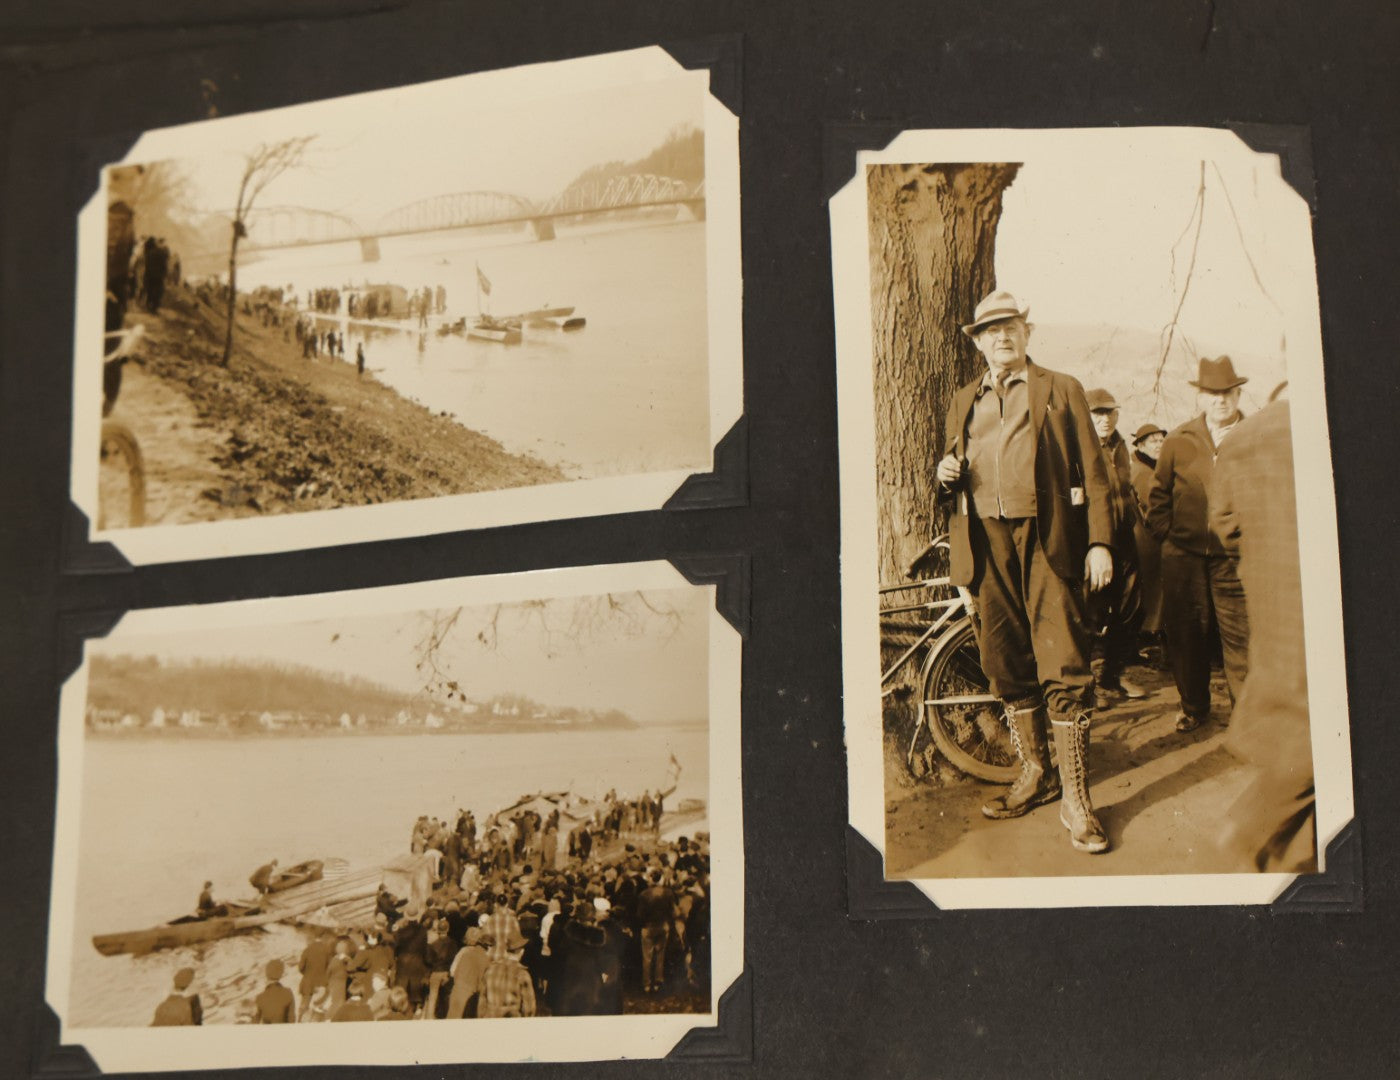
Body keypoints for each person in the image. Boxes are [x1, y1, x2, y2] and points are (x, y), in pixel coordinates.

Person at [935, 290, 1115, 853]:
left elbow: (1097, 471)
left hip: (1048, 541)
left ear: (1026, 332)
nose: (1001, 337)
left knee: (1063, 660)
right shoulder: (964, 398)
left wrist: (1101, 543)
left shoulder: (1061, 390)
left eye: (1010, 327)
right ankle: (1037, 772)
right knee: (1004, 661)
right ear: (978, 342)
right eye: (990, 331)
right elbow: (954, 479)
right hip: (986, 544)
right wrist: (944, 475)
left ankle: (1077, 800)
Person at [1209, 391, 1315, 871]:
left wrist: (1255, 570)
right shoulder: (1336, 419)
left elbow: (1225, 522)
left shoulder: (1246, 436)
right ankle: (1241, 843)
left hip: (1273, 598)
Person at [1146, 356, 1252, 732]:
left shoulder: (1253, 436)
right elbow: (1158, 495)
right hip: (1184, 558)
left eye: (1227, 392)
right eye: (1212, 393)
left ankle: (1246, 718)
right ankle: (1194, 708)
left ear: (1238, 394)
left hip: (1235, 558)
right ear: (1200, 398)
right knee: (1186, 635)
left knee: (1240, 639)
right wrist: (1168, 536)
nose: (1220, 400)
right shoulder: (1178, 440)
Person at [1085, 388, 1146, 702]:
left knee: (1130, 608)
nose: (1104, 419)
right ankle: (1089, 685)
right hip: (1094, 542)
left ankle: (1114, 676)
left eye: (1109, 412)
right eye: (1097, 413)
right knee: (1092, 614)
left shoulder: (1121, 446)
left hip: (1124, 540)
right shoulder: (1080, 447)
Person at [1129, 422, 1169, 642]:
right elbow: (1153, 507)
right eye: (1153, 441)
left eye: (1162, 440)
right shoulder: (1143, 473)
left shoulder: (1148, 468)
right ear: (1141, 445)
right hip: (1148, 540)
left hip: (1146, 537)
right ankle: (1156, 634)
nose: (1159, 445)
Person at [477, 930, 537, 1018]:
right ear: (522, 952)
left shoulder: (490, 969)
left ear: (505, 952)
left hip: (490, 1020)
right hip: (511, 1022)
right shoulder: (522, 974)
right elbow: (529, 1009)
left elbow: (482, 1002)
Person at [635, 869, 675, 993]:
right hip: (663, 925)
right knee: (660, 955)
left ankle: (647, 984)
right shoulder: (668, 893)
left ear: (651, 878)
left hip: (648, 926)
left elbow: (639, 915)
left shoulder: (644, 894)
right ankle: (658, 982)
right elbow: (672, 911)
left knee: (647, 956)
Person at [445, 927, 490, 1019]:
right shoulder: (486, 957)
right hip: (473, 995)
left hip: (458, 990)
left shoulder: (464, 952)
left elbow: (453, 971)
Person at [297, 929, 335, 1018]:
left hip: (308, 981)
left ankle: (299, 1020)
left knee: (304, 1005)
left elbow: (300, 967)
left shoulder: (307, 949)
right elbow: (330, 967)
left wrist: (306, 974)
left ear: (314, 937)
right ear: (323, 937)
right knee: (317, 1007)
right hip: (321, 983)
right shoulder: (327, 950)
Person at [254, 958, 296, 1023]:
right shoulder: (288, 993)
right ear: (281, 974)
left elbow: (254, 1023)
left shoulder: (259, 998)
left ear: (266, 974)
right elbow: (292, 1020)